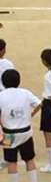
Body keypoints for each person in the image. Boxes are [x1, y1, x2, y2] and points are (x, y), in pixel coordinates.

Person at [0, 69, 44, 182]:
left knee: (11, 162)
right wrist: (31, 114)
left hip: (8, 134)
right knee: (29, 160)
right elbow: (39, 104)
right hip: (25, 132)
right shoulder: (25, 93)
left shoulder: (1, 96)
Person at [0, 39, 14, 169]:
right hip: (6, 98)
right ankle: (7, 156)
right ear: (3, 50)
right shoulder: (8, 64)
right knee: (7, 128)